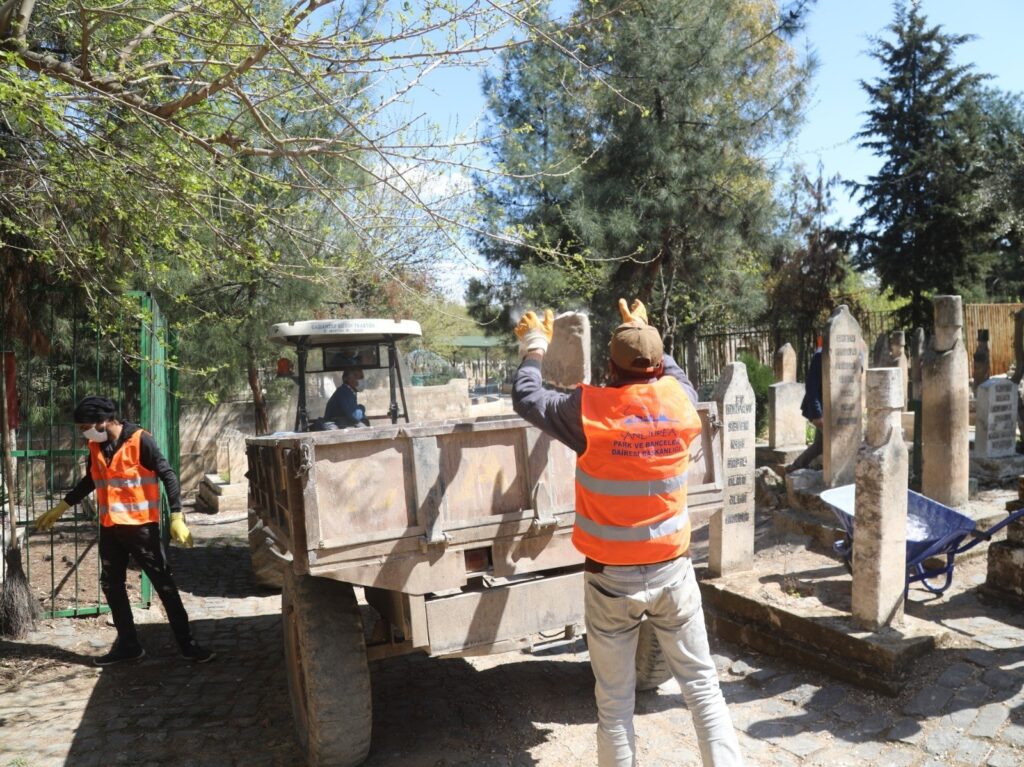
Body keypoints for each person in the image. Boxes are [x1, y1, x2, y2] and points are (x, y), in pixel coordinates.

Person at [511, 300, 742, 767]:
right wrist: (644, 329)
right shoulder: (681, 404)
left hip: (609, 580)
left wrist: (534, 346)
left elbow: (527, 399)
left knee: (615, 706)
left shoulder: (589, 411)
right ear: (658, 366)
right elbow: (675, 375)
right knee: (702, 689)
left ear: (609, 368)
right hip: (673, 574)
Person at [34, 395, 214, 666]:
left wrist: (177, 516)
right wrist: (62, 506)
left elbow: (168, 475)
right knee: (111, 585)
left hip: (141, 529)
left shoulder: (140, 440)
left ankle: (188, 645)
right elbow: (91, 480)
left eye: (85, 427)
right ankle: (129, 646)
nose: (83, 433)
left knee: (164, 585)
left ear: (104, 421)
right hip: (110, 529)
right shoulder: (96, 447)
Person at [785, 337, 823, 473]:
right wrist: (818, 414)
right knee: (825, 443)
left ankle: (796, 466)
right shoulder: (820, 356)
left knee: (820, 444)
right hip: (820, 410)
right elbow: (811, 388)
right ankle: (796, 467)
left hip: (834, 410)